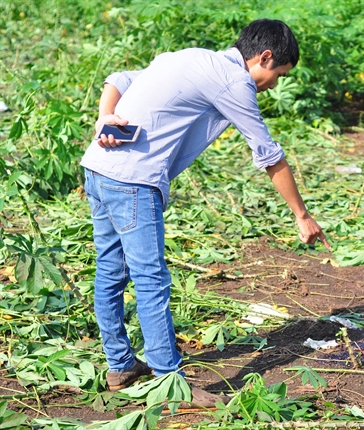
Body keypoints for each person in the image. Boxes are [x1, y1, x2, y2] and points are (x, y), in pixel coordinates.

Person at [80, 19, 330, 408]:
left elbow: (119, 79)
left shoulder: (188, 57)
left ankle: (120, 365)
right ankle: (170, 381)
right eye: (277, 74)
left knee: (110, 271)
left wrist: (104, 115)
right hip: (133, 182)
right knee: (151, 280)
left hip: (97, 170)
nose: (274, 84)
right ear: (264, 57)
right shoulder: (235, 83)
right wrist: (302, 214)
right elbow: (268, 154)